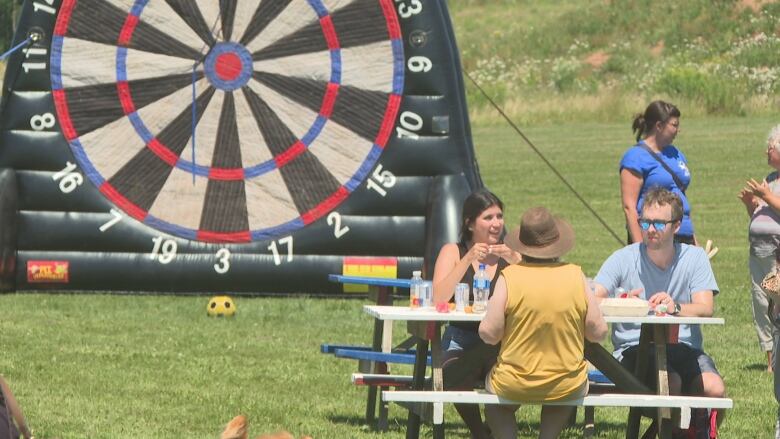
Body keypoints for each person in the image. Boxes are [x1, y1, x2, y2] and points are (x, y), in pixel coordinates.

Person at [593, 187, 726, 434]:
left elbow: (705, 307)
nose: (650, 229)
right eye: (645, 222)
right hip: (634, 349)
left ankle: (691, 431)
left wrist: (676, 307)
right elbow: (593, 297)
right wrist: (622, 300)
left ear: (676, 226)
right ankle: (673, 432)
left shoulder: (695, 258)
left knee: (715, 390)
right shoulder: (623, 258)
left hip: (684, 348)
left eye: (658, 223)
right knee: (670, 382)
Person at [478, 207, 607, 439]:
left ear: (522, 245)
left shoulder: (510, 277)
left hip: (514, 381)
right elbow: (598, 332)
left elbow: (490, 333)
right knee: (561, 397)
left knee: (496, 405)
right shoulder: (575, 275)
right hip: (567, 381)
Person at [432, 188, 521, 439]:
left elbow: (534, 295)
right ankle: (479, 432)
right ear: (470, 223)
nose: (496, 224)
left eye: (499, 216)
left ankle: (495, 428)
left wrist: (516, 260)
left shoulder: (511, 254)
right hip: (462, 337)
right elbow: (438, 297)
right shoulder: (453, 251)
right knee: (453, 374)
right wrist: (467, 258)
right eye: (488, 218)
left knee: (517, 378)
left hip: (503, 340)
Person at [621, 100, 697, 245]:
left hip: (683, 234)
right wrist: (638, 249)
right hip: (655, 237)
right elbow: (629, 208)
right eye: (674, 125)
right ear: (659, 126)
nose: (678, 130)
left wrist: (695, 242)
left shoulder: (675, 153)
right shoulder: (635, 157)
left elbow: (680, 197)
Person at [739, 124, 780, 372]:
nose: (767, 151)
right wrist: (751, 204)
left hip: (777, 251)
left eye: (771, 147)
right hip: (758, 250)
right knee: (761, 301)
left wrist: (765, 196)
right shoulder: (770, 180)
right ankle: (770, 361)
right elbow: (759, 217)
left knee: (777, 300)